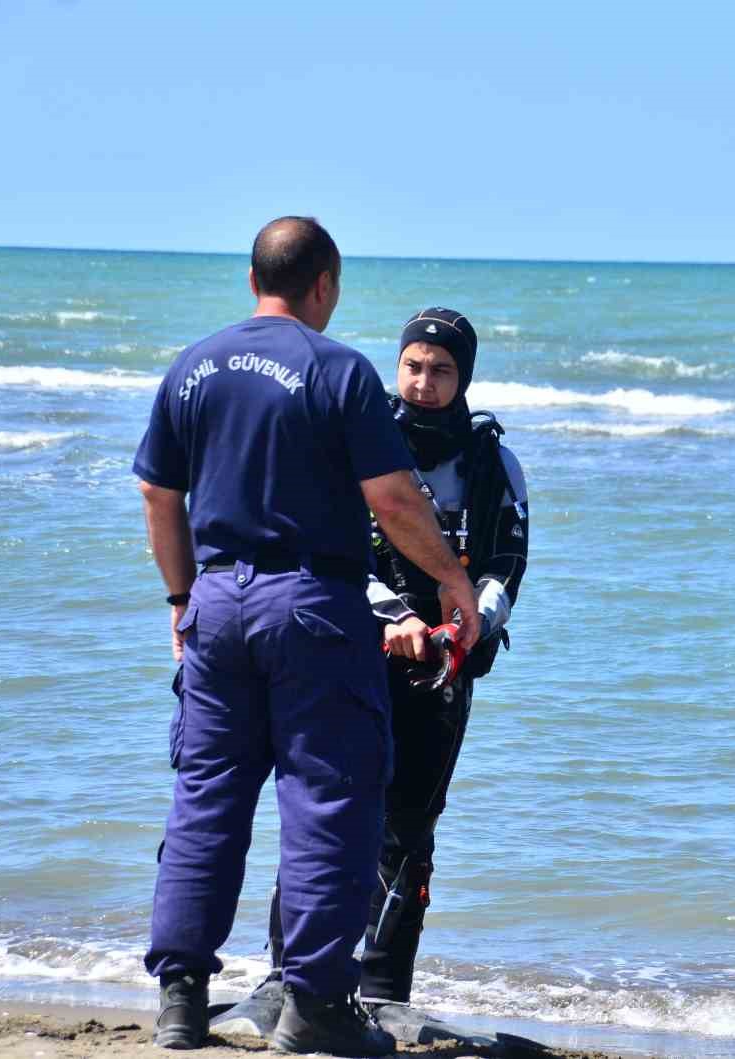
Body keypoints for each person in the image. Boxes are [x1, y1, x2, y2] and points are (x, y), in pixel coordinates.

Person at [133, 217, 480, 1055]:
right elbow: (394, 500)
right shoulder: (338, 371)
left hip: (216, 603)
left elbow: (157, 495)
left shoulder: (192, 366)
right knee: (330, 800)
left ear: (256, 277)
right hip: (312, 606)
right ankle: (316, 1005)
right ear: (323, 282)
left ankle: (182, 998)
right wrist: (452, 578)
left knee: (206, 800)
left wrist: (183, 598)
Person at [254, 306, 529, 1043]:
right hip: (354, 652)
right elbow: (331, 546)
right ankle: (289, 974)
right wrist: (391, 617)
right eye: (413, 365)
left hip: (448, 666)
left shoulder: (492, 461)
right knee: (331, 809)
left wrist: (475, 622)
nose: (425, 381)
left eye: (441, 369)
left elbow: (507, 561)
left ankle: (383, 989)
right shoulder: (360, 443)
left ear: (463, 375)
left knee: (411, 827)